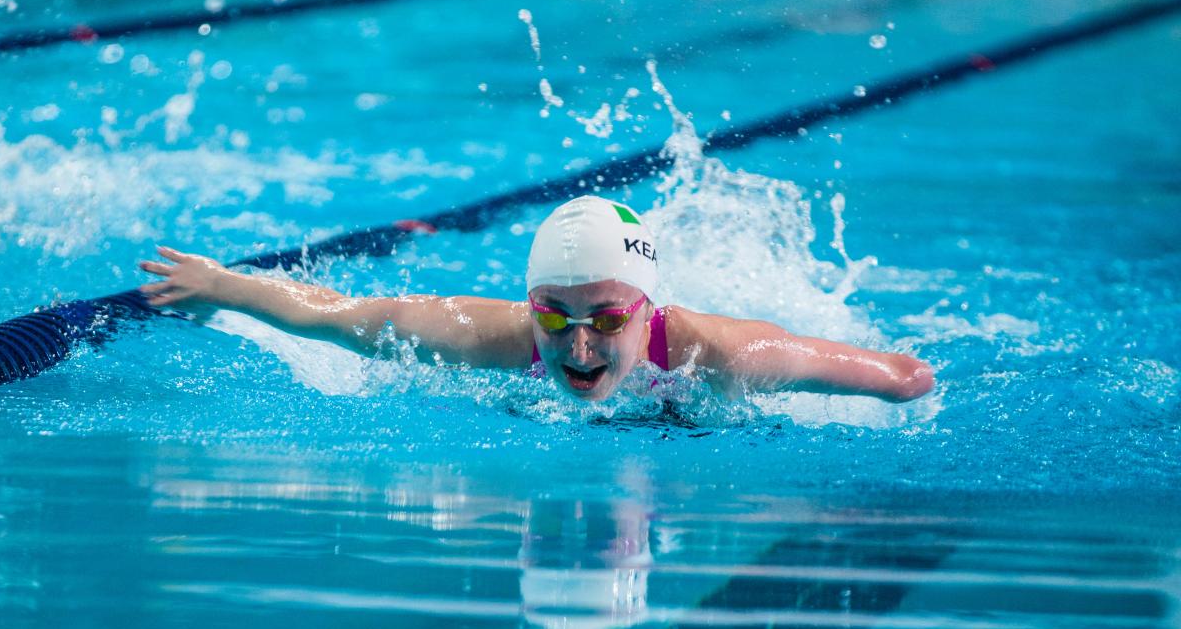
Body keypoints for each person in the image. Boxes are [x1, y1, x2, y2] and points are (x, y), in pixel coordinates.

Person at [138, 195, 934, 402]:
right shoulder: (483, 337)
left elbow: (896, 376)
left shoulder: (727, 356)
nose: (577, 348)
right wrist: (223, 285)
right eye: (553, 315)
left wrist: (902, 380)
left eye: (607, 319)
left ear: (648, 313)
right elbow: (335, 312)